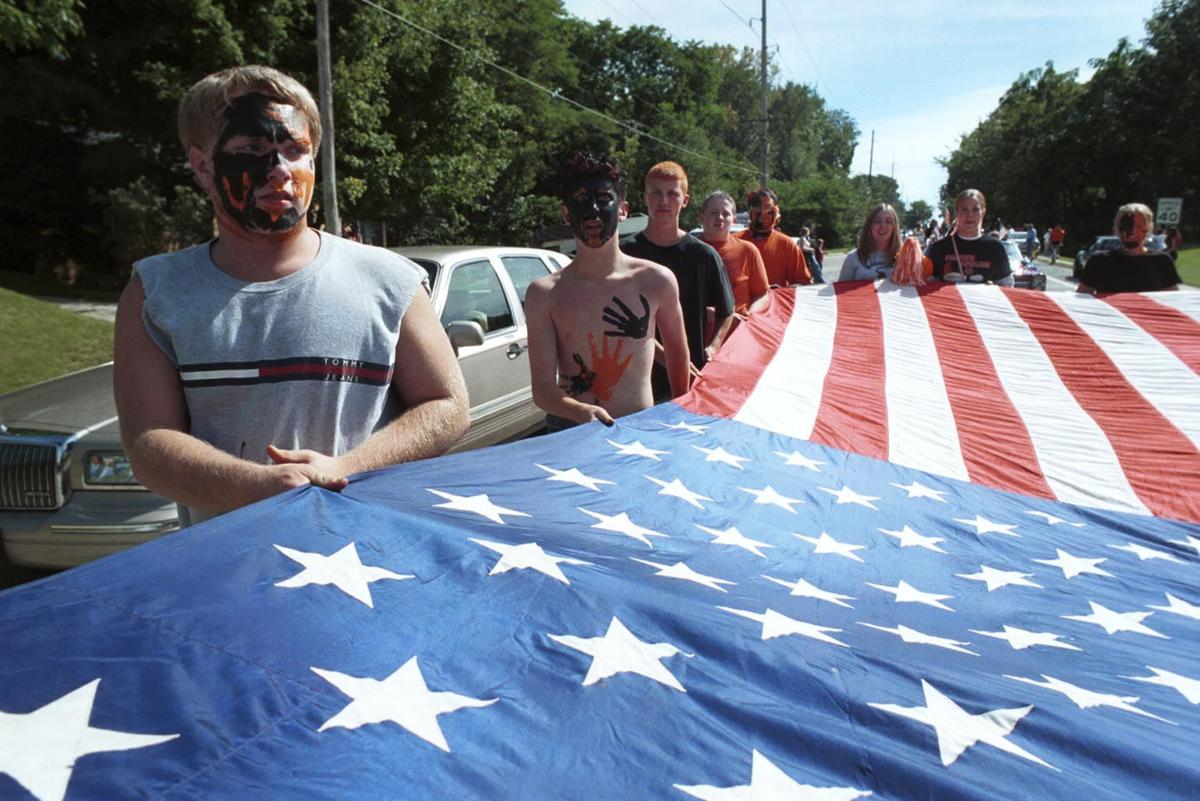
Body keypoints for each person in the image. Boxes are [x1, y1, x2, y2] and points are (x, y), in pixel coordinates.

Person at [113, 65, 470, 526]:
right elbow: (148, 442)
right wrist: (260, 487)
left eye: (296, 150)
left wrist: (343, 469)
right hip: (232, 569)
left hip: (374, 557)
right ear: (202, 165)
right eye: (251, 150)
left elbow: (448, 406)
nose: (280, 171)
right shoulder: (155, 292)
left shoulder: (390, 278)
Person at [525, 152, 690, 431]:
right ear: (567, 213)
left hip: (640, 432)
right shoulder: (544, 294)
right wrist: (580, 412)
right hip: (570, 432)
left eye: (603, 200)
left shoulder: (656, 281)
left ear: (623, 210)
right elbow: (542, 389)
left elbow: (677, 354)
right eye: (581, 201)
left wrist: (680, 412)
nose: (593, 211)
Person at [620, 161, 734, 402]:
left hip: (691, 379)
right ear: (645, 197)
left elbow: (727, 311)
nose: (663, 201)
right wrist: (671, 358)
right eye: (656, 193)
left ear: (685, 200)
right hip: (635, 381)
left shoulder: (704, 256)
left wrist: (713, 348)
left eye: (672, 194)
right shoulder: (623, 254)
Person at [1077, 203, 1180, 294]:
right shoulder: (1099, 261)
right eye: (1126, 225)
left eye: (1139, 226)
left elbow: (1174, 301)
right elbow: (1081, 298)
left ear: (1148, 229)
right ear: (1116, 228)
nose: (1132, 232)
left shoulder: (1162, 261)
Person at [696, 190, 768, 315]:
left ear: (734, 219)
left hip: (738, 330)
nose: (719, 217)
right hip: (697, 330)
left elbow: (762, 294)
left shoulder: (748, 251)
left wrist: (750, 314)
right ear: (702, 216)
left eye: (726, 214)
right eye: (713, 213)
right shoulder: (689, 250)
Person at [925, 189, 1013, 286]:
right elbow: (928, 284)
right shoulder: (939, 248)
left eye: (975, 209)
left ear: (983, 212)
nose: (969, 215)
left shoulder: (995, 247)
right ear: (957, 212)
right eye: (964, 209)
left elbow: (1006, 285)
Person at [736, 188, 812, 287]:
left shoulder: (787, 244)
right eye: (757, 206)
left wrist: (781, 292)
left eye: (767, 206)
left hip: (775, 301)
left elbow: (803, 283)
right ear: (749, 210)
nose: (762, 212)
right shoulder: (734, 241)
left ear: (776, 210)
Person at [838, 203, 901, 281]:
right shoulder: (853, 257)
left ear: (894, 227)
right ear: (870, 226)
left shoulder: (904, 258)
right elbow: (840, 290)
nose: (883, 225)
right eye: (877, 221)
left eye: (888, 222)